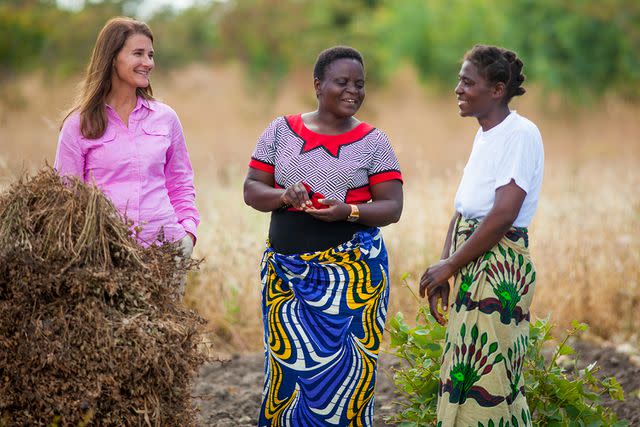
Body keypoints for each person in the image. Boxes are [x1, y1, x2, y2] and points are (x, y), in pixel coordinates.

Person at [244, 46, 404, 426]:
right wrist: (284, 195)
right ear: (318, 84)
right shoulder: (279, 130)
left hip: (353, 282)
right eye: (342, 82)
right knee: (286, 375)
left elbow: (392, 207)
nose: (353, 91)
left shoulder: (374, 141)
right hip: (286, 281)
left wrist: (347, 211)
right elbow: (252, 190)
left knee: (348, 380)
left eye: (360, 84)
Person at [419, 45, 544, 426]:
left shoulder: (520, 134)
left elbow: (503, 213)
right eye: (460, 80)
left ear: (497, 90)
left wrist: (452, 263)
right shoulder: (486, 135)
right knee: (465, 370)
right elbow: (464, 208)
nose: (458, 88)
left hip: (499, 267)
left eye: (467, 82)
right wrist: (446, 267)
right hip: (474, 260)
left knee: (491, 375)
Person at [54, 17, 199, 291]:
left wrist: (187, 233)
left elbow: (180, 182)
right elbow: (66, 198)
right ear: (112, 58)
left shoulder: (165, 118)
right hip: (105, 259)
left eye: (151, 54)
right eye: (138, 54)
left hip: (166, 252)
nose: (148, 62)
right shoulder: (79, 125)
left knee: (164, 333)